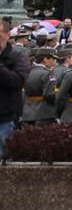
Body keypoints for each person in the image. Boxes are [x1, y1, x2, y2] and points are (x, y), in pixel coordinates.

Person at [0, 22, 31, 156]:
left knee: (4, 157)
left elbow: (17, 81)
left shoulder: (18, 56)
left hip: (5, 117)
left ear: (7, 35)